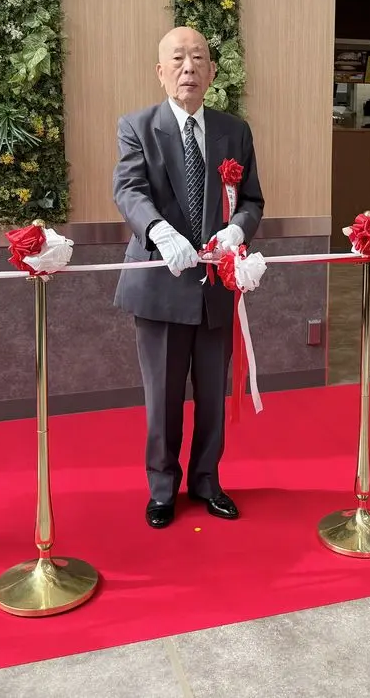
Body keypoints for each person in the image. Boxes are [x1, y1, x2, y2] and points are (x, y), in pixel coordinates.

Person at [113, 26, 264, 529]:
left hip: (216, 286)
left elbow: (252, 199)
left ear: (213, 71)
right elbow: (130, 190)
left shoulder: (233, 131)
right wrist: (158, 231)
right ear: (160, 72)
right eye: (177, 59)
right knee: (163, 397)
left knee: (213, 396)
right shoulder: (138, 126)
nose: (188, 68)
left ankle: (206, 480)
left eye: (198, 58)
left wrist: (237, 230)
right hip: (161, 285)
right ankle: (162, 488)